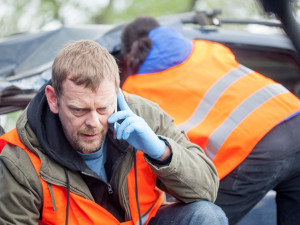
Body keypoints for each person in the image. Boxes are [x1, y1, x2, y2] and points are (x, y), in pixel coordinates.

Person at [0, 40, 227, 225]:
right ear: (53, 99)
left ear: (116, 93)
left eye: (103, 108)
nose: (94, 122)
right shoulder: (19, 159)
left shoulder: (143, 114)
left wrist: (161, 151)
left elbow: (206, 190)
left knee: (205, 215)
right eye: (78, 110)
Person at [120, 16, 300, 225]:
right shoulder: (207, 48)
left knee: (203, 217)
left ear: (126, 56)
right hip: (294, 114)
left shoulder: (135, 90)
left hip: (256, 147)